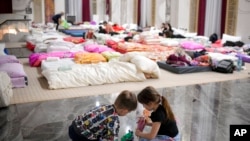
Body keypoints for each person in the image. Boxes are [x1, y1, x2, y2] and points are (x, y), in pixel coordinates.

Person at [68, 90, 138, 141]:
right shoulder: (114, 121)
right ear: (124, 110)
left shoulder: (104, 106)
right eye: (128, 112)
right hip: (81, 137)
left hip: (73, 127)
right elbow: (111, 139)